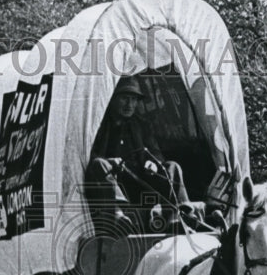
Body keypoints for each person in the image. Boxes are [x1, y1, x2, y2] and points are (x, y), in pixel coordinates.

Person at [85, 76, 225, 233]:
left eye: (133, 99)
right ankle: (119, 216)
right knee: (99, 164)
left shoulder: (141, 125)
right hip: (116, 184)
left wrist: (153, 163)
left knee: (173, 167)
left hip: (141, 182)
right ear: (112, 100)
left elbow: (156, 153)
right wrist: (109, 162)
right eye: (125, 98)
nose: (129, 104)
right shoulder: (100, 125)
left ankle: (178, 216)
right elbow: (88, 156)